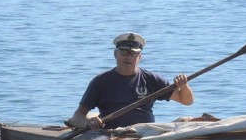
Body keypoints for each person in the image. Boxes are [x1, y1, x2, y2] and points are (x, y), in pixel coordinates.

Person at [65, 32, 194, 130]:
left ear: (140, 57)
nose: (129, 57)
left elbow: (187, 101)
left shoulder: (152, 79)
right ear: (115, 54)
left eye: (133, 54)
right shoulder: (100, 82)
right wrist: (88, 123)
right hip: (112, 136)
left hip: (146, 135)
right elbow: (77, 116)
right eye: (124, 52)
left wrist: (184, 86)